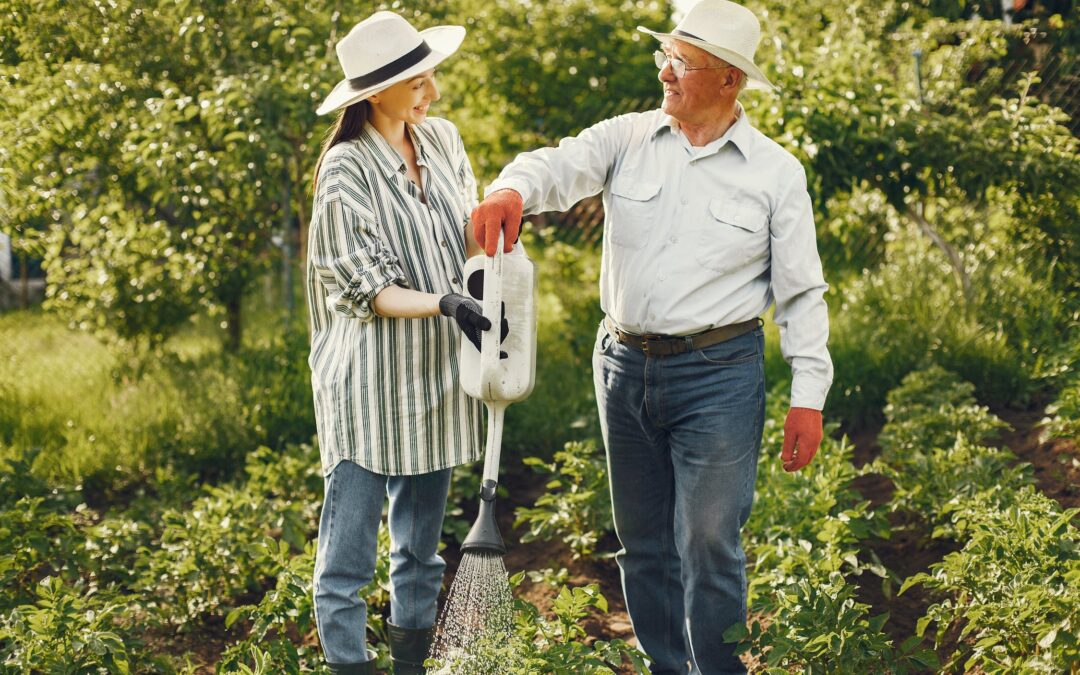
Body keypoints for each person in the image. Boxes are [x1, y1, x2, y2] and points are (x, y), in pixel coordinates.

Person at [471, 1, 833, 672]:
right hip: (622, 366)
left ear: (730, 80)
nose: (665, 73)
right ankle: (669, 665)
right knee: (641, 541)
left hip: (719, 371)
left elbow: (802, 291)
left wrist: (808, 393)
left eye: (683, 62)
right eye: (663, 55)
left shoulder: (775, 173)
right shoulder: (627, 138)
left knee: (707, 540)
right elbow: (556, 163)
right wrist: (511, 190)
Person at [306, 11, 492, 675]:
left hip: (436, 376)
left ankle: (410, 666)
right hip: (368, 386)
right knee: (348, 560)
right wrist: (445, 300)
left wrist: (500, 219)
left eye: (430, 75)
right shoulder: (344, 172)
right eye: (418, 81)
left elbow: (462, 238)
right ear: (374, 93)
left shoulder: (440, 141)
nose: (433, 93)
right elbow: (368, 290)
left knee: (420, 551)